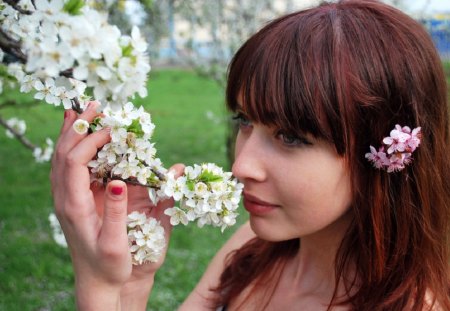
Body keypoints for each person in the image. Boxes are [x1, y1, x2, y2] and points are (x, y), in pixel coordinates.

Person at [51, 0, 450, 310]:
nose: (240, 167)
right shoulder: (251, 249)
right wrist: (126, 285)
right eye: (244, 120)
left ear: (388, 154)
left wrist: (98, 287)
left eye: (290, 137)